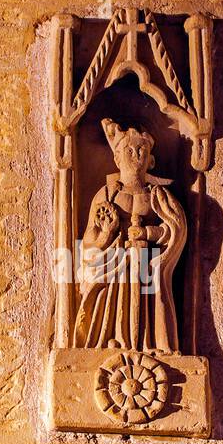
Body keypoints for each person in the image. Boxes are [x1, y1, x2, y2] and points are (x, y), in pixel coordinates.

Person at [73, 118, 186, 354]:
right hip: (114, 265)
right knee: (115, 302)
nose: (136, 154)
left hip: (146, 263)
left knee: (147, 300)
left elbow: (175, 228)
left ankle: (149, 343)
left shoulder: (157, 195)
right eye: (130, 150)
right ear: (117, 158)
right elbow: (88, 243)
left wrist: (148, 232)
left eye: (142, 150)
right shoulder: (106, 194)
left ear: (151, 160)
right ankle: (112, 339)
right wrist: (107, 233)